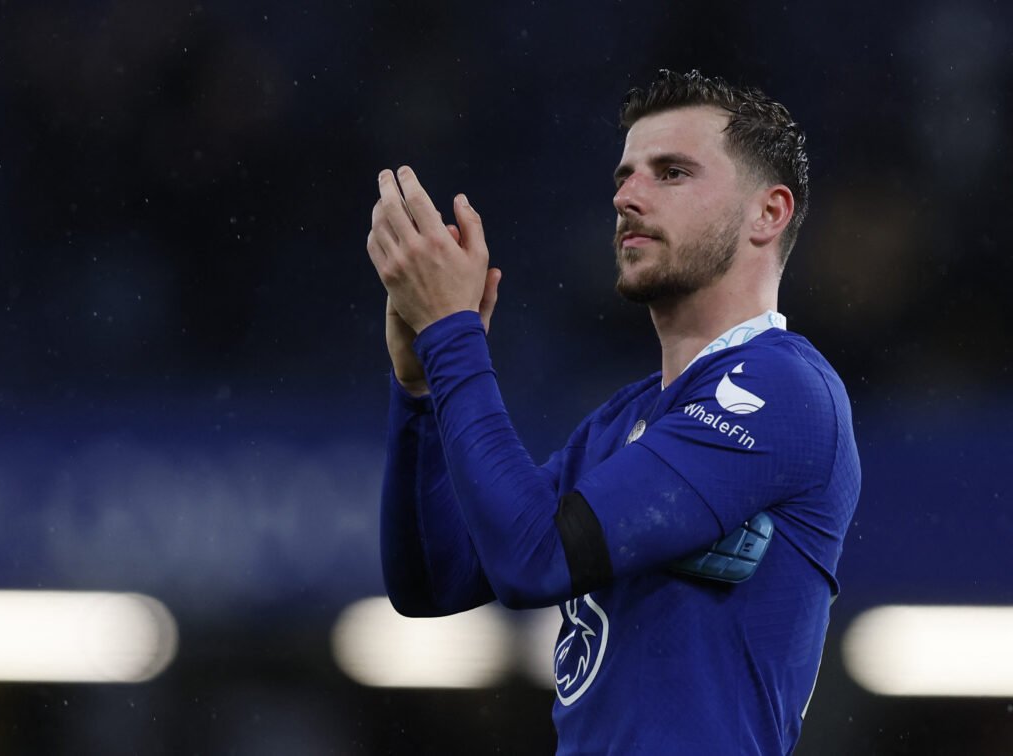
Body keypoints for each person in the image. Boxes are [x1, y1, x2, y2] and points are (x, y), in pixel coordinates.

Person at [365, 69, 860, 755]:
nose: (628, 196)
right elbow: (434, 578)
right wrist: (419, 386)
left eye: (672, 172)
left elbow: (533, 559)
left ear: (768, 213)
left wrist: (455, 335)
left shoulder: (782, 389)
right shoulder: (623, 420)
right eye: (625, 177)